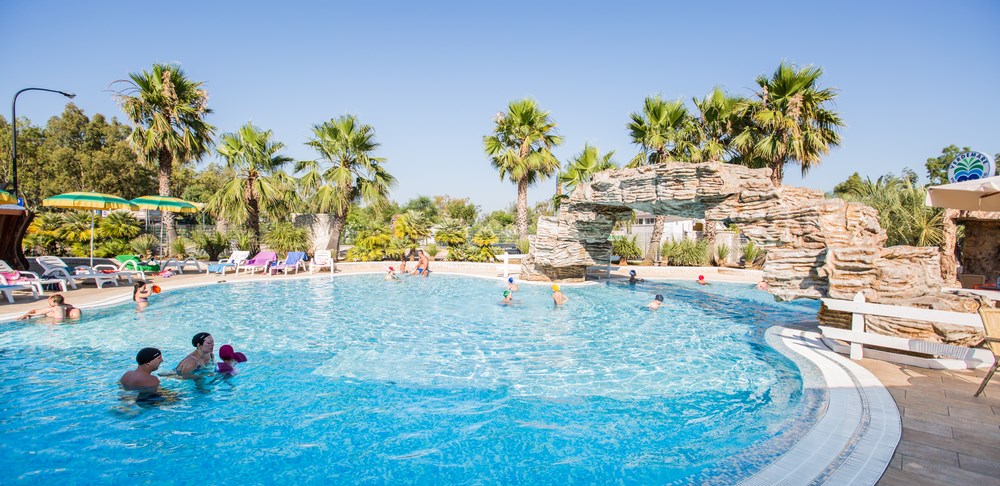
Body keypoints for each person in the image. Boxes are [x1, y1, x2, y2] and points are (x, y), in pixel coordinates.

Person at [17, 294, 82, 320]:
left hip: (58, 322)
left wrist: (27, 314)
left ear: (53, 302)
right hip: (71, 321)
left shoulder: (53, 308)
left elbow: (35, 311)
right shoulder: (73, 309)